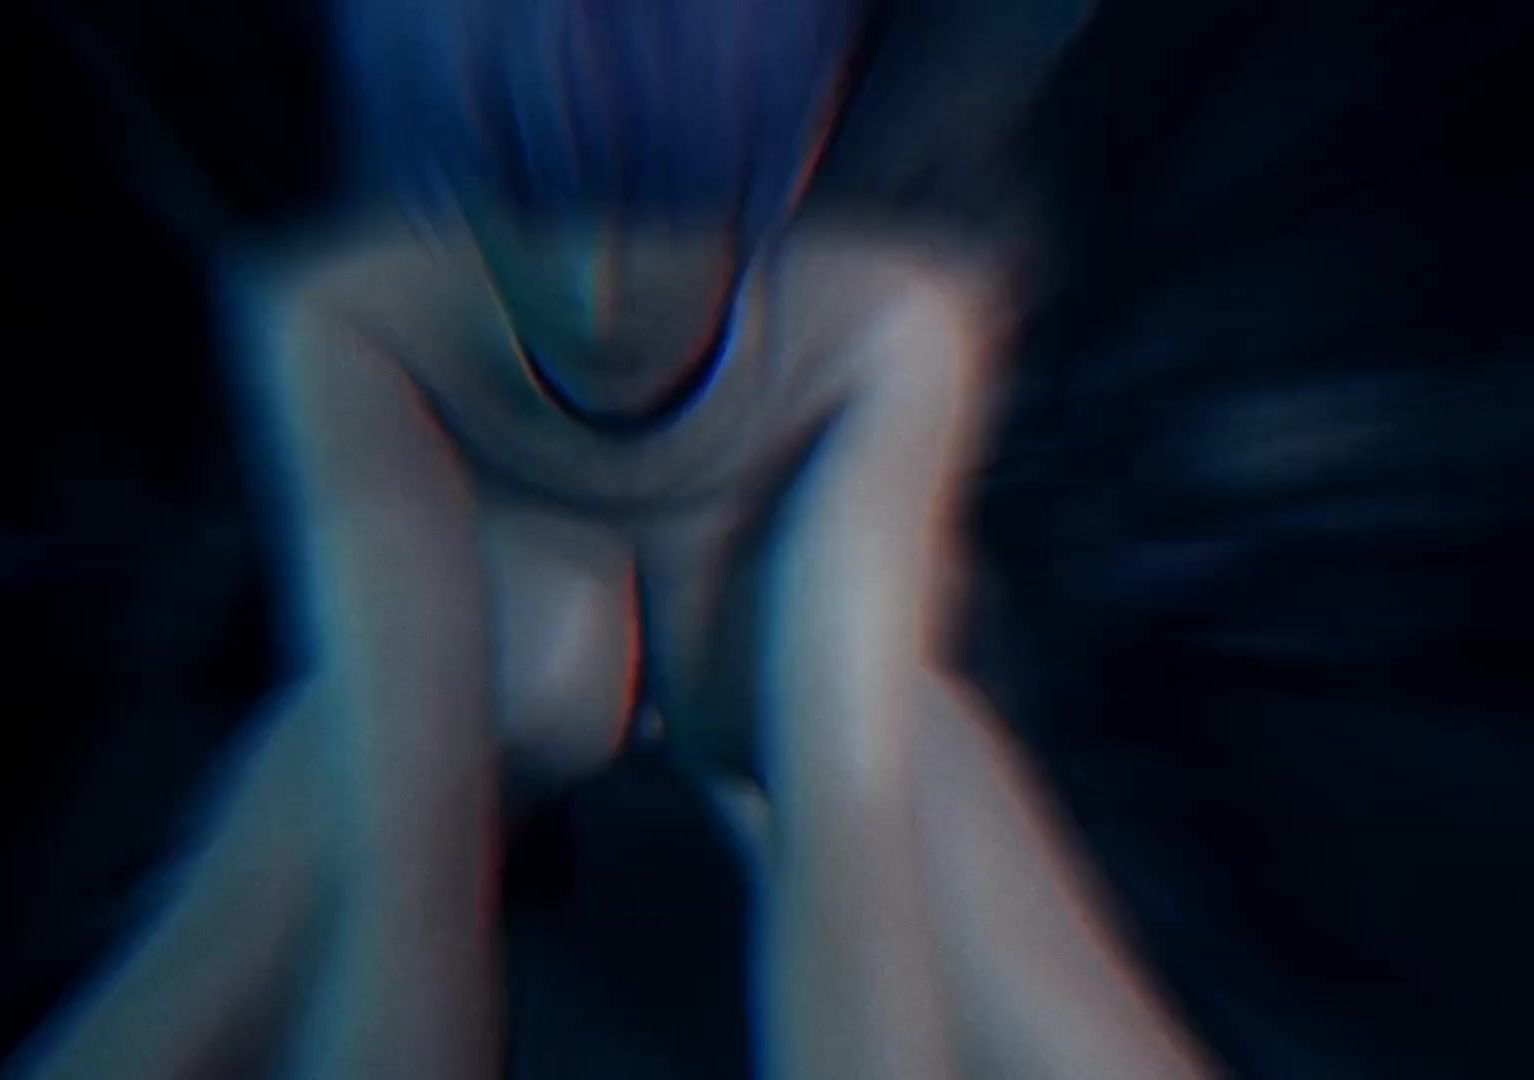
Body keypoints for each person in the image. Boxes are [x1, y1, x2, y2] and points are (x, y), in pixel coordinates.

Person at [8, 1, 1211, 1077]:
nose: (599, 291)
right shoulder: (345, 325)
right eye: (535, 207)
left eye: (659, 213)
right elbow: (403, 866)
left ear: (780, 166)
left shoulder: (889, 331)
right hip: (506, 646)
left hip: (757, 666)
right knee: (364, 753)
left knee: (915, 756)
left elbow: (852, 821)